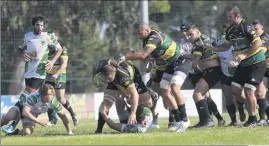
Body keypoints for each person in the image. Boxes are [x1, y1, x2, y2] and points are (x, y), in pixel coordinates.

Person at [116, 23, 192, 132]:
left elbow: (143, 54)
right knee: (164, 91)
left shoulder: (154, 36)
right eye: (137, 34)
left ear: (147, 30)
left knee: (175, 87)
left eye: (140, 33)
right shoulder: (145, 40)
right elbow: (146, 57)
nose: (139, 36)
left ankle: (185, 120)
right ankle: (178, 120)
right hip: (170, 64)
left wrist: (126, 57)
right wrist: (134, 55)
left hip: (182, 59)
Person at [2, 16, 63, 133]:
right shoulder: (27, 36)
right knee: (25, 102)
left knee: (23, 97)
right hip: (28, 74)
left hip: (39, 73)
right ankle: (51, 113)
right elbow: (20, 49)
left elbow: (59, 49)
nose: (40, 27)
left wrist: (52, 61)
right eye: (37, 25)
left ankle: (12, 125)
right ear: (33, 25)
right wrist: (23, 55)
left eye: (41, 25)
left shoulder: (48, 36)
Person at [93, 59, 158, 133]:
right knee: (106, 105)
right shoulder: (108, 71)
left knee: (148, 103)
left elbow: (135, 94)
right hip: (115, 79)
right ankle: (99, 130)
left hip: (133, 78)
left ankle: (150, 96)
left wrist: (132, 114)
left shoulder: (123, 77)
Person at [205, 24, 246, 126]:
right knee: (227, 97)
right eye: (224, 32)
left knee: (239, 94)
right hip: (225, 72)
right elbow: (212, 50)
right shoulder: (218, 41)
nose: (226, 35)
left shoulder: (239, 41)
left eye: (228, 32)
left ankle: (241, 106)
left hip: (238, 70)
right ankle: (233, 121)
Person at [186, 24, 225, 128]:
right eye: (188, 35)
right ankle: (205, 121)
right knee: (204, 96)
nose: (189, 37)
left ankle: (207, 121)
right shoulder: (204, 39)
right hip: (212, 71)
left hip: (213, 71)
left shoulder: (199, 43)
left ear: (198, 32)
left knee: (197, 94)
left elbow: (195, 62)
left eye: (191, 34)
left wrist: (185, 62)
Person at [1, 84, 73, 135]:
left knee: (27, 132)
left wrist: (69, 131)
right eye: (48, 95)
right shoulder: (34, 98)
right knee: (7, 118)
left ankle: (14, 133)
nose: (50, 97)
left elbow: (63, 116)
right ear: (42, 95)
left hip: (31, 116)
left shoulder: (54, 102)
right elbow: (25, 112)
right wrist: (39, 121)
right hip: (20, 109)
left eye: (51, 95)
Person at [45, 31, 78, 126]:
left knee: (61, 99)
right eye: (51, 36)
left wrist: (56, 74)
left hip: (60, 75)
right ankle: (52, 119)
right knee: (47, 97)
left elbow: (64, 65)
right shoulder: (46, 48)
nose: (52, 38)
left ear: (57, 37)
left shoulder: (62, 49)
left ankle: (73, 114)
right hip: (49, 75)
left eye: (54, 36)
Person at [252, 19, 269, 126]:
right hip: (262, 68)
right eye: (253, 29)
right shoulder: (253, 39)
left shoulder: (265, 38)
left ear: (262, 27)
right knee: (260, 92)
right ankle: (262, 119)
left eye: (256, 28)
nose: (255, 31)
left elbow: (261, 51)